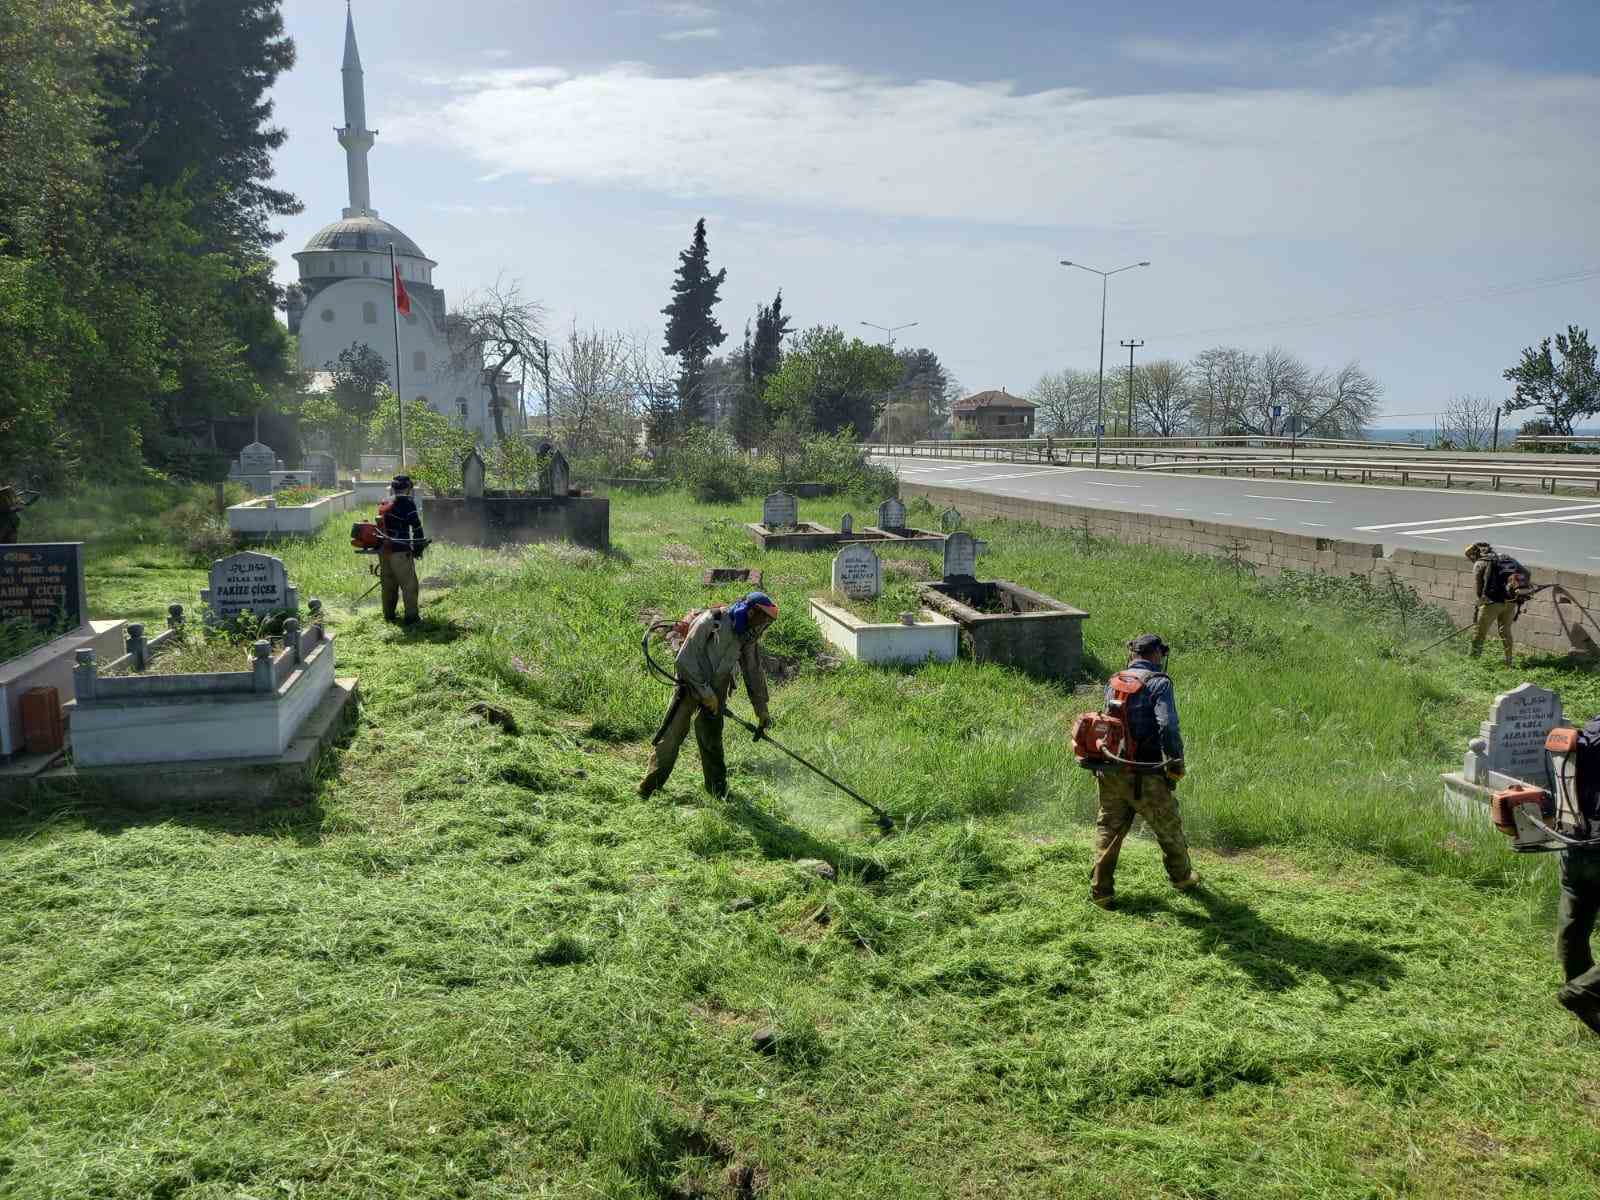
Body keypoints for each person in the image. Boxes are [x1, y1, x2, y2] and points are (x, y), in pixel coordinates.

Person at [1090, 633, 1200, 908]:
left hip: (1111, 768)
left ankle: (1101, 891)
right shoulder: (1159, 683)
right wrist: (1175, 763)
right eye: (1161, 654)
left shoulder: (1115, 679)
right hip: (1145, 773)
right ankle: (1182, 878)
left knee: (1109, 829)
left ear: (1133, 654)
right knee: (1168, 827)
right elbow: (1168, 727)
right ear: (1156, 654)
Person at [639, 592, 778, 800]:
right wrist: (705, 693)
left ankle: (717, 792)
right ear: (750, 612)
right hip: (690, 684)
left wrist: (762, 710)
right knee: (671, 736)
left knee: (712, 740)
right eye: (761, 620)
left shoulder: (747, 636)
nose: (761, 626)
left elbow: (753, 672)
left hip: (719, 688)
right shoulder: (711, 621)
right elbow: (684, 660)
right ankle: (648, 789)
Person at [379, 475, 425, 625]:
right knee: (409, 585)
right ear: (408, 488)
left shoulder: (385, 501)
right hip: (400, 550)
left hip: (384, 550)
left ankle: (389, 616)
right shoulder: (407, 503)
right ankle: (412, 618)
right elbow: (417, 527)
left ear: (393, 487)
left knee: (388, 586)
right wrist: (419, 547)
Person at [1466, 541, 1518, 666]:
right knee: (1505, 631)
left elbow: (1479, 586)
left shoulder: (1480, 563)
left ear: (1476, 554)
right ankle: (1509, 661)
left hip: (1492, 602)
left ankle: (1472, 662)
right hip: (1511, 602)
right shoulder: (1504, 559)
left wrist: (1480, 602)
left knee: (1479, 633)